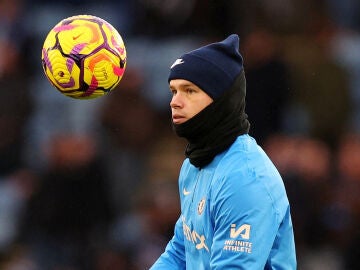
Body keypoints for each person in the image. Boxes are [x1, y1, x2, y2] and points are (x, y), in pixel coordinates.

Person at [150, 34, 296, 269]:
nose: (175, 102)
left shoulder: (246, 178)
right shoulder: (194, 163)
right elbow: (181, 252)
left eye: (189, 91)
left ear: (222, 100)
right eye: (173, 91)